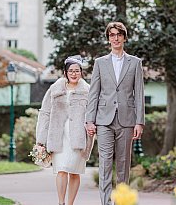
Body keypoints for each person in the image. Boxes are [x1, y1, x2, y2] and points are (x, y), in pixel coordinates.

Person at [85, 22, 145, 205]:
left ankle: (121, 201)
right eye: (112, 35)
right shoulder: (100, 63)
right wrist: (89, 120)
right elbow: (93, 93)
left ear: (124, 38)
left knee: (123, 165)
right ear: (108, 39)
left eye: (119, 34)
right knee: (104, 164)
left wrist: (139, 122)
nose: (116, 38)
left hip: (127, 121)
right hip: (103, 120)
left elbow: (139, 94)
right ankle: (105, 202)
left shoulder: (135, 63)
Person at [36, 55, 94, 205]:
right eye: (71, 71)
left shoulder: (88, 90)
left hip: (79, 136)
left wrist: (92, 128)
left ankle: (70, 203)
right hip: (58, 136)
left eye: (77, 71)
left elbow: (93, 113)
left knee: (74, 171)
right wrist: (41, 139)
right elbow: (45, 113)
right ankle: (61, 202)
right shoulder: (54, 89)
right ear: (65, 72)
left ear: (81, 72)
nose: (74, 74)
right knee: (61, 170)